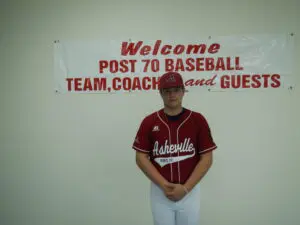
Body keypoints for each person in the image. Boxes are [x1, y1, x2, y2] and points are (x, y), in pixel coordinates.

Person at [132, 71, 217, 225]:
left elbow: (207, 158)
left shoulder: (197, 120)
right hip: (160, 190)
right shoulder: (149, 122)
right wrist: (164, 186)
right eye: (167, 91)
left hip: (190, 190)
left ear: (183, 91)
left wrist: (185, 189)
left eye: (176, 89)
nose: (172, 95)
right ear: (160, 93)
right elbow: (140, 157)